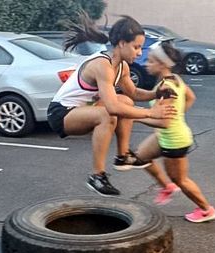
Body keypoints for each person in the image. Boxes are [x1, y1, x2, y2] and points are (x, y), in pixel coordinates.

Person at [47, 13, 177, 197]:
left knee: (125, 100)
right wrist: (151, 113)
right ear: (122, 44)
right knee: (108, 113)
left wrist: (156, 93)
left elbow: (134, 93)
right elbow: (112, 108)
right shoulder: (102, 65)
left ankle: (123, 156)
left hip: (83, 110)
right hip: (61, 114)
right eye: (136, 47)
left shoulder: (122, 66)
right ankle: (96, 176)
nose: (140, 53)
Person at [133, 40, 215, 223]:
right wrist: (178, 115)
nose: (146, 65)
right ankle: (167, 187)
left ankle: (206, 209)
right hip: (167, 134)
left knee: (181, 180)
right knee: (139, 157)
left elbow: (163, 122)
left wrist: (134, 116)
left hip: (175, 141)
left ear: (162, 64)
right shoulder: (172, 79)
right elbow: (190, 97)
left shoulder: (168, 87)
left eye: (151, 61)